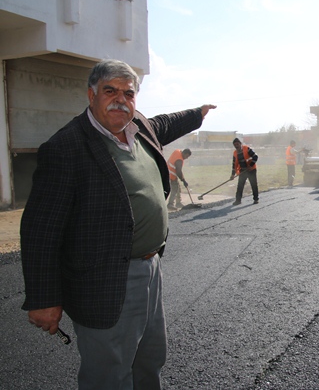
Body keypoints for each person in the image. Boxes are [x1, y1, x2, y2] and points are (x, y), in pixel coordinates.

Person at [20, 59, 217, 390]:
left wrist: (197, 114)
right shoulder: (66, 148)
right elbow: (39, 230)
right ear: (91, 94)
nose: (120, 100)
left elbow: (165, 123)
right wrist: (43, 298)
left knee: (149, 359)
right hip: (104, 278)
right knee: (109, 372)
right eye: (109, 90)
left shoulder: (138, 127)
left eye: (128, 93)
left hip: (150, 268)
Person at [230, 138, 259, 205]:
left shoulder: (247, 149)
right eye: (235, 145)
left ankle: (256, 199)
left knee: (253, 184)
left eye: (237, 144)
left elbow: (255, 157)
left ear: (240, 143)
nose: (236, 146)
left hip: (251, 170)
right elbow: (234, 164)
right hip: (243, 171)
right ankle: (238, 200)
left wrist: (250, 165)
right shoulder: (235, 153)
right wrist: (232, 175)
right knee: (240, 185)